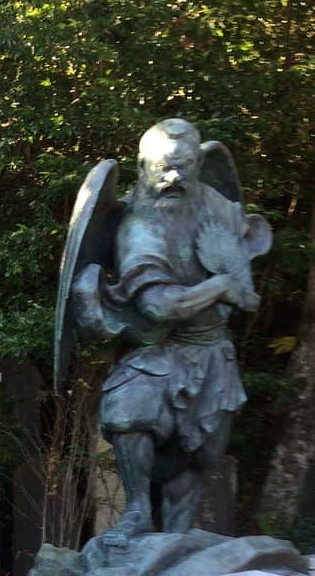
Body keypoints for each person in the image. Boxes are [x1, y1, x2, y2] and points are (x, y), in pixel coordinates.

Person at [72, 118, 270, 547]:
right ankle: (139, 511)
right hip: (160, 345)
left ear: (198, 163)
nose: (174, 177)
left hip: (213, 349)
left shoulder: (218, 207)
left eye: (184, 166)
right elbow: (159, 307)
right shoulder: (137, 226)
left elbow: (247, 290)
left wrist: (238, 287)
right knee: (126, 407)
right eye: (163, 167)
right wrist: (220, 286)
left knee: (197, 454)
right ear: (143, 166)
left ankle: (177, 545)